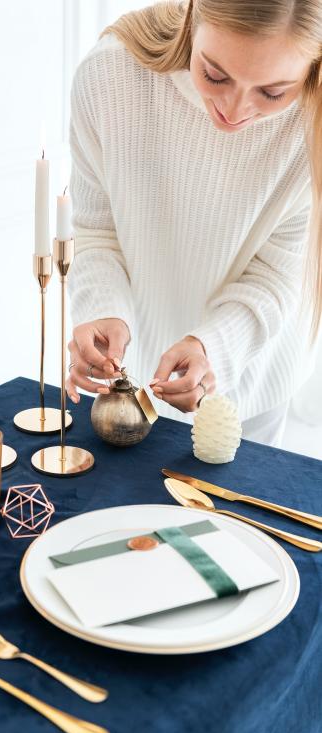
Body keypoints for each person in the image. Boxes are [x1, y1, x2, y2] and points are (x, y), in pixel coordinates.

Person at [65, 0, 322, 447]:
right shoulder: (110, 76)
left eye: (273, 93)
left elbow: (276, 275)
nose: (235, 109)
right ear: (191, 16)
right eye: (216, 75)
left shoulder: (313, 120)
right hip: (131, 386)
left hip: (252, 391)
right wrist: (103, 310)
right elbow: (97, 232)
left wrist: (211, 348)